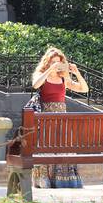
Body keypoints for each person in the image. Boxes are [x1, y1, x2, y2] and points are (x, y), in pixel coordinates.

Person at [31, 46, 90, 188]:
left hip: (62, 118)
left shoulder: (63, 77)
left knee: (64, 147)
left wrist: (77, 73)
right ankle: (44, 179)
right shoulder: (41, 73)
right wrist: (49, 70)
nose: (56, 64)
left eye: (58, 62)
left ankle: (63, 180)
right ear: (48, 62)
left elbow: (84, 89)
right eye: (53, 62)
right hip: (46, 117)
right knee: (46, 147)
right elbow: (35, 84)